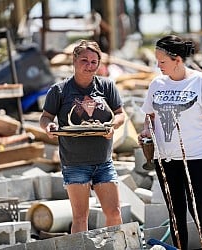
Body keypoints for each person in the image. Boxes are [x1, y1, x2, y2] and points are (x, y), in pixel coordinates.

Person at [138, 35, 202, 250]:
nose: (158, 66)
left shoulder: (200, 82)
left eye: (162, 62)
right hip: (165, 157)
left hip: (198, 156)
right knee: (175, 210)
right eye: (157, 61)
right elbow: (149, 115)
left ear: (178, 60)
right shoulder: (156, 84)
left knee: (198, 208)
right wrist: (146, 130)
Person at [39, 40, 125, 233]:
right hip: (75, 163)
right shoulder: (59, 90)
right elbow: (45, 118)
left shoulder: (107, 87)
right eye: (84, 60)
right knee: (80, 218)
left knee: (114, 213)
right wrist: (49, 127)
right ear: (74, 61)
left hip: (103, 162)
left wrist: (113, 125)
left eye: (94, 62)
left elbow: (120, 113)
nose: (89, 65)